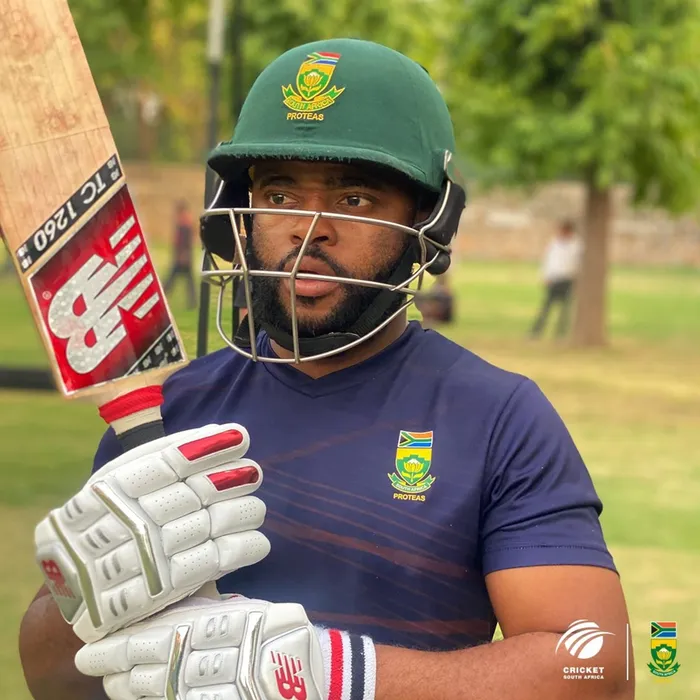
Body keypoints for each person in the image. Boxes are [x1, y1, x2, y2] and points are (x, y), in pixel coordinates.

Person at [19, 39, 633, 700]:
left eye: (355, 199)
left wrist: (338, 673)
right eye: (280, 192)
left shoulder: (497, 418)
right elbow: (55, 681)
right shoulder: (162, 414)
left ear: (428, 219)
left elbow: (599, 670)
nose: (308, 231)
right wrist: (83, 599)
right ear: (239, 212)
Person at [530, 219, 583, 339]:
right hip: (554, 279)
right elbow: (548, 261)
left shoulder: (576, 245)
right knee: (546, 308)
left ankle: (560, 334)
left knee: (565, 310)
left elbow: (577, 264)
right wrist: (545, 276)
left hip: (568, 280)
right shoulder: (554, 243)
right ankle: (536, 332)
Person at [163, 198, 197, 308]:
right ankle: (192, 302)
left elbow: (184, 242)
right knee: (186, 280)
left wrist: (182, 254)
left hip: (183, 256)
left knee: (173, 278)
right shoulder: (185, 223)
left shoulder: (184, 224)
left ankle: (163, 295)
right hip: (184, 255)